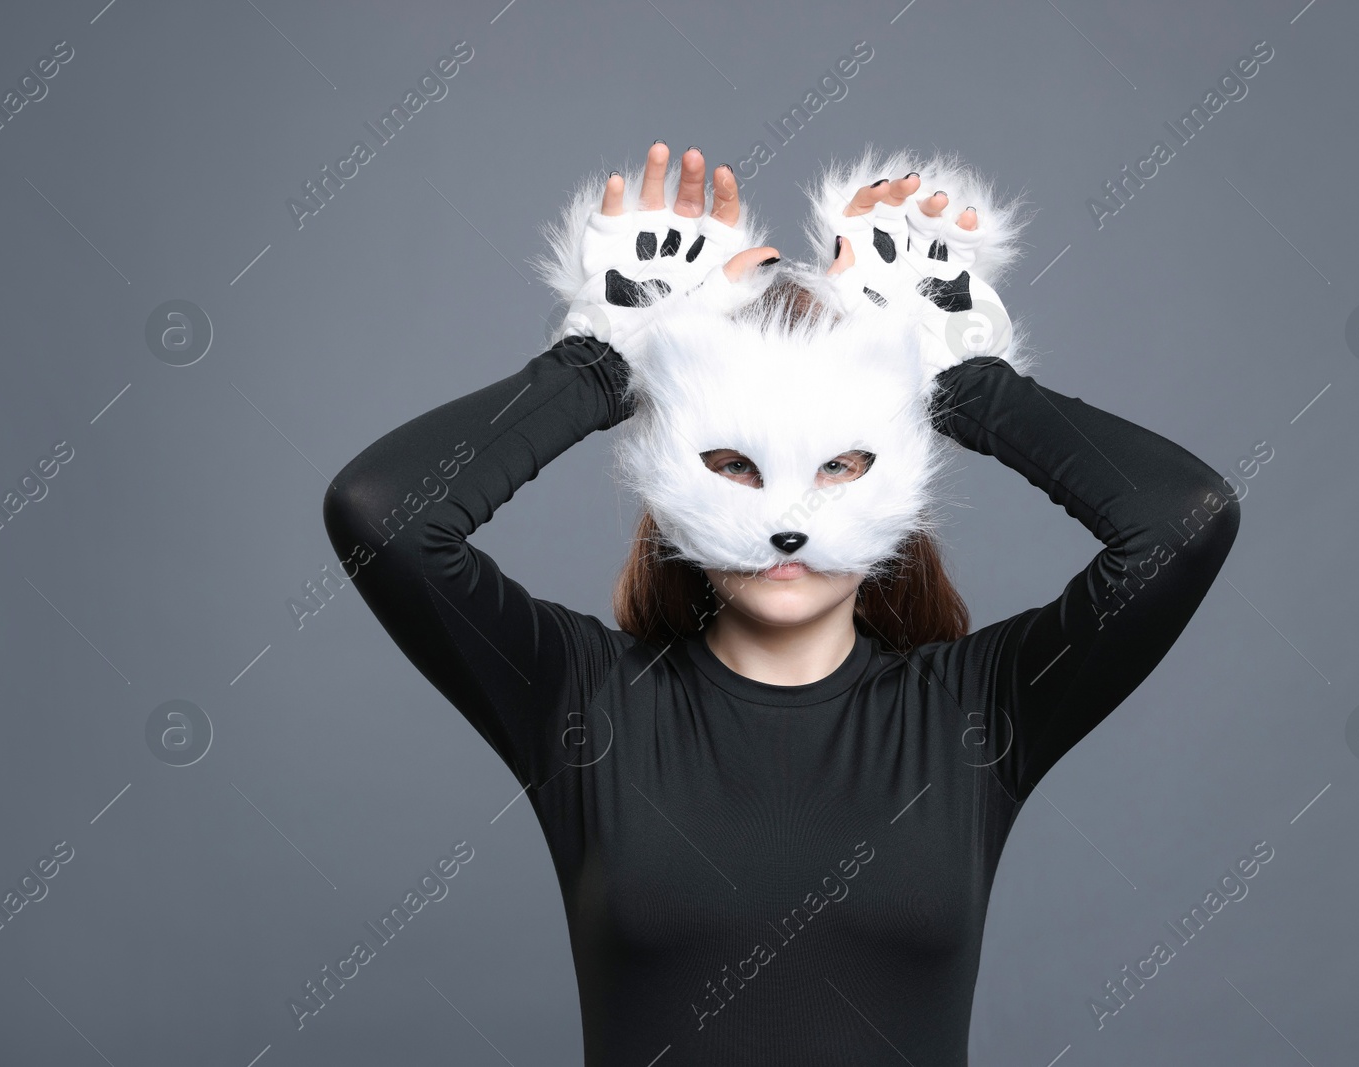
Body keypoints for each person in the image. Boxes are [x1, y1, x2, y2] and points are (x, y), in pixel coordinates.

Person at [323, 140, 1239, 1065]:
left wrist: (960, 375)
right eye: (733, 464)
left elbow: (1180, 521)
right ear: (676, 478)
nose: (790, 516)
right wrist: (604, 360)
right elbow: (384, 517)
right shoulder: (583, 703)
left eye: (841, 463)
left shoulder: (977, 713)